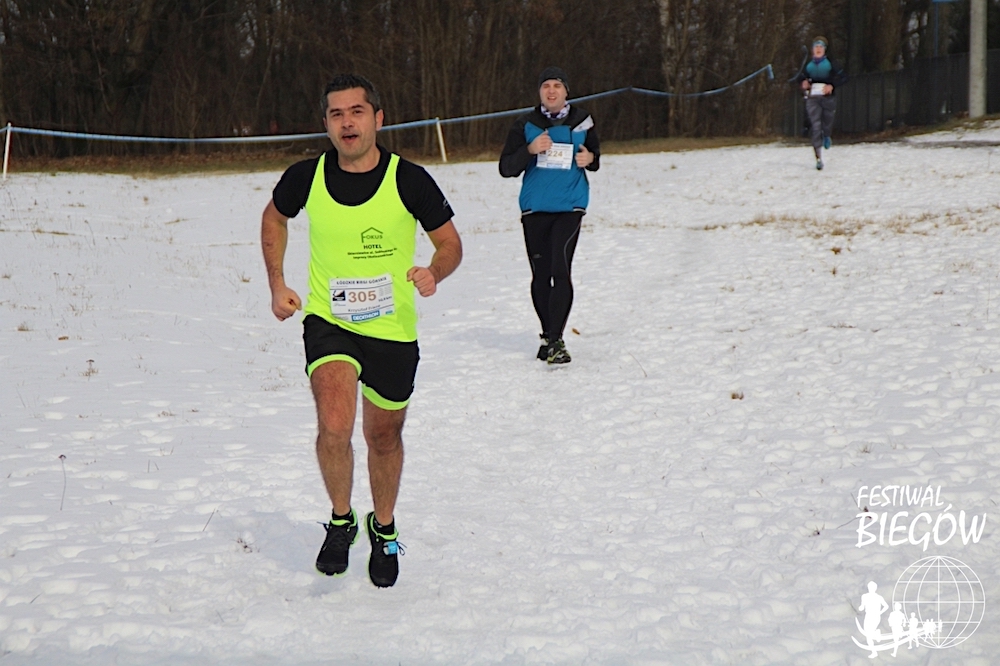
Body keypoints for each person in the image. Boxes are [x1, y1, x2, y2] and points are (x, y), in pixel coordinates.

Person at [261, 74, 462, 588]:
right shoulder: (306, 176)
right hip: (330, 322)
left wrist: (433, 272)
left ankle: (384, 526)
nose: (347, 122)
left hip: (392, 329)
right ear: (326, 123)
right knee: (334, 425)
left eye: (356, 111)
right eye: (336, 114)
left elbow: (450, 244)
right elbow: (274, 218)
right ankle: (341, 519)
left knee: (383, 435)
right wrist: (278, 282)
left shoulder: (409, 179)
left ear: (378, 118)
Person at [499, 66, 600, 365]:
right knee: (541, 275)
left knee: (560, 268)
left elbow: (594, 156)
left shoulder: (582, 121)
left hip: (570, 206)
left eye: (557, 85)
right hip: (535, 208)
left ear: (566, 91)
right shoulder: (525, 124)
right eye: (546, 86)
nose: (551, 91)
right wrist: (530, 149)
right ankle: (547, 336)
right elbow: (506, 168)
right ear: (540, 92)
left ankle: (556, 340)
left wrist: (590, 158)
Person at [794, 36, 847, 170]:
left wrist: (831, 86)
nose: (818, 49)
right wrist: (803, 83)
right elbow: (800, 78)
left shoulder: (831, 64)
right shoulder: (808, 65)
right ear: (812, 50)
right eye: (816, 47)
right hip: (813, 98)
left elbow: (844, 77)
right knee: (816, 126)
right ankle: (818, 158)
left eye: (820, 47)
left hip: (828, 98)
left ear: (824, 50)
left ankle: (827, 135)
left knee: (827, 123)